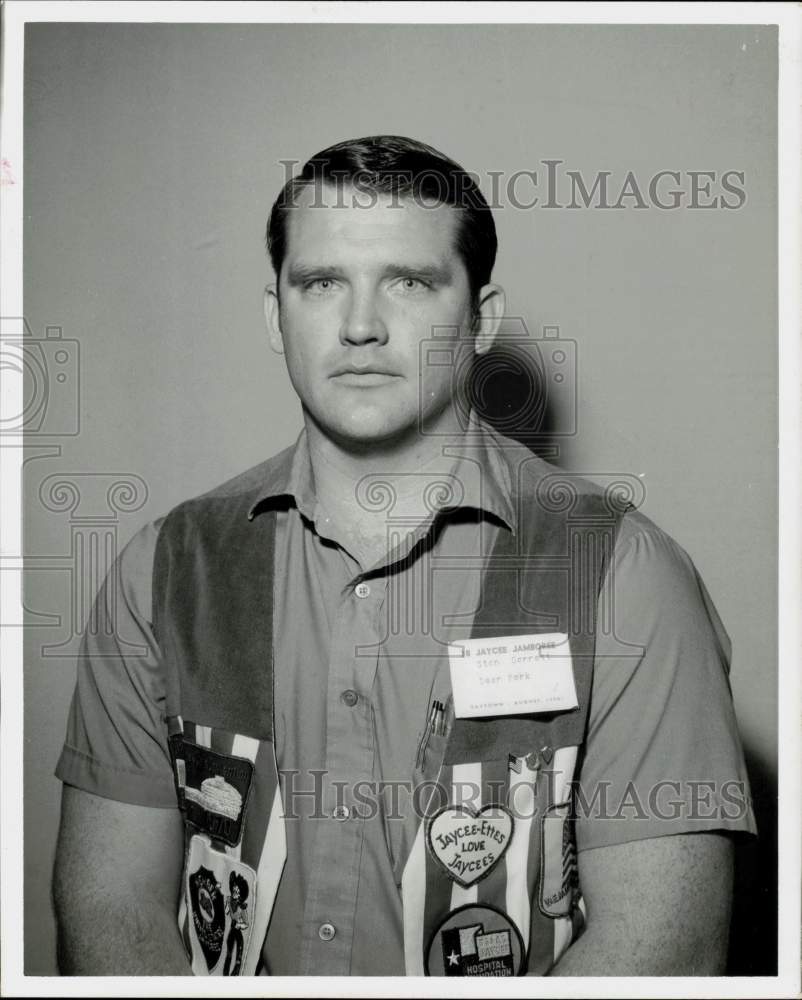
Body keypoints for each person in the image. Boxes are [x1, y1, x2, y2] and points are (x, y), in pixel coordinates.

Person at [52, 135, 756, 977]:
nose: (359, 326)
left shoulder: (626, 577)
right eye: (321, 284)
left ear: (482, 317)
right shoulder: (163, 570)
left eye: (411, 283)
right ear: (277, 316)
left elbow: (665, 954)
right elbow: (108, 907)